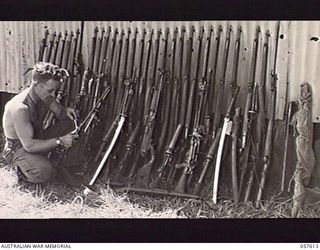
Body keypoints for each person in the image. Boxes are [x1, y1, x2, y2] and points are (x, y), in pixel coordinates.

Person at [2, 62, 79, 185]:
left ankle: (53, 161)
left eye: (55, 90)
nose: (53, 95)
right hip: (18, 148)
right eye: (50, 91)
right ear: (36, 85)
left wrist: (66, 111)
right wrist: (60, 141)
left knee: (68, 123)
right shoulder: (20, 108)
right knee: (44, 172)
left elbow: (60, 113)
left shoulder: (45, 96)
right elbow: (29, 146)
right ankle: (19, 170)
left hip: (37, 137)